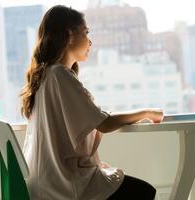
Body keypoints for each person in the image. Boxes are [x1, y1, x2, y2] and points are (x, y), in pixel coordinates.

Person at [20, 5, 163, 200]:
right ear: (70, 34)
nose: (90, 41)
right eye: (86, 32)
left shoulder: (46, 75)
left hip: (45, 181)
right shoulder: (59, 75)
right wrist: (146, 112)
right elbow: (105, 123)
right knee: (144, 192)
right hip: (63, 185)